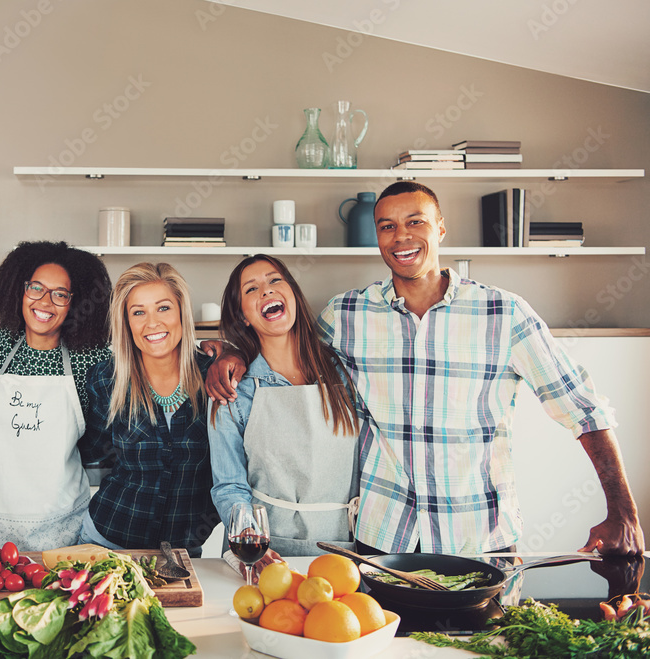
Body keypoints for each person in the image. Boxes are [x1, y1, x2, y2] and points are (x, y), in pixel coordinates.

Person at [208, 181, 644, 556]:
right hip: (382, 539)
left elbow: (583, 409)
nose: (402, 237)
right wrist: (231, 353)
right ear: (377, 238)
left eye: (415, 221)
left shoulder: (504, 313)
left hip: (479, 538)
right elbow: (285, 347)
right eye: (387, 226)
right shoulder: (346, 315)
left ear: (440, 228)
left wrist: (622, 510)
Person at [208, 255, 360, 563]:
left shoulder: (343, 371)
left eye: (275, 280)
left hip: (341, 545)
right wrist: (248, 539)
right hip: (265, 547)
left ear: (293, 294)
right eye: (251, 289)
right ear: (243, 318)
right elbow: (229, 485)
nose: (266, 291)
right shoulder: (233, 390)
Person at [0, 241, 112, 551]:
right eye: (36, 288)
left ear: (74, 302)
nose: (45, 302)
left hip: (62, 521)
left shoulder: (90, 358)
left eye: (60, 294)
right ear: (19, 290)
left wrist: (215, 352)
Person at [79, 263, 218, 557]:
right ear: (126, 322)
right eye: (138, 312)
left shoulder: (213, 377)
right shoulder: (107, 379)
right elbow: (91, 452)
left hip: (185, 550)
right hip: (108, 541)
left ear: (182, 312)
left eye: (163, 308)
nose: (152, 323)